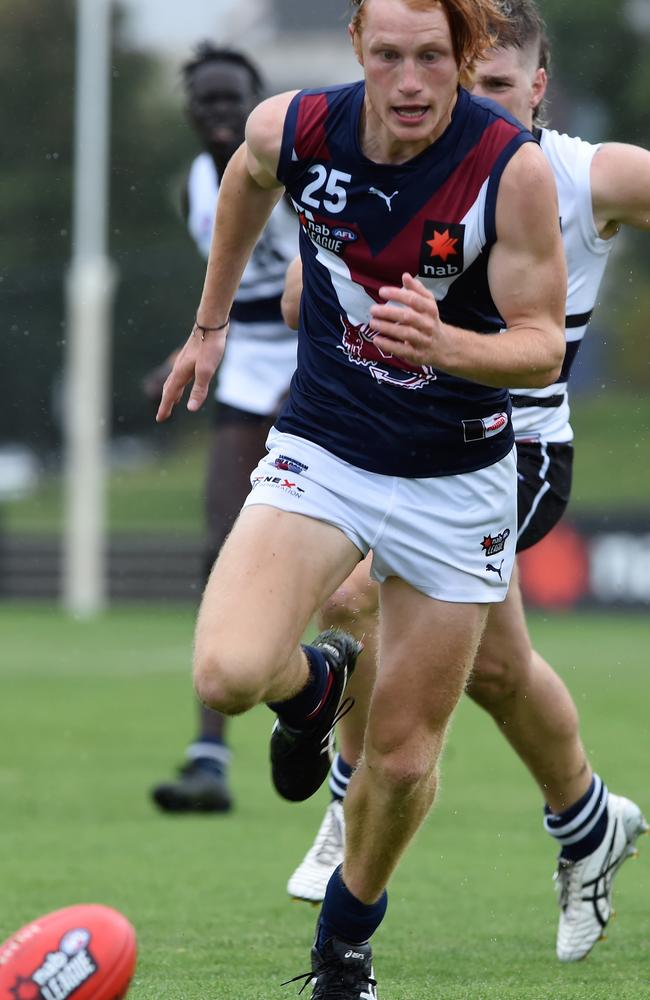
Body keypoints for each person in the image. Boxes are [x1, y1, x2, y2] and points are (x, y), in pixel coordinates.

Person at [157, 0, 566, 994]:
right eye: (389, 56)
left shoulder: (507, 168)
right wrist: (210, 323)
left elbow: (540, 342)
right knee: (225, 672)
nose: (412, 81)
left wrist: (449, 345)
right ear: (357, 52)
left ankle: (342, 942)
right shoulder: (295, 127)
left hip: (457, 479)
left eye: (432, 56)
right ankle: (318, 687)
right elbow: (247, 182)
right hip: (326, 449)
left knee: (396, 761)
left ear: (462, 57)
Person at [285, 0, 649, 967]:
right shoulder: (411, 167)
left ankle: (341, 810)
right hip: (403, 445)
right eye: (464, 81)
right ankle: (587, 825)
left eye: (496, 85)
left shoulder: (580, 171)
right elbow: (301, 293)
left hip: (516, 450)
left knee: (358, 590)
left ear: (536, 88)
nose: (470, 101)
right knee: (494, 669)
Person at [147, 43, 299, 814]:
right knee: (220, 546)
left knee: (323, 565)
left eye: (229, 99)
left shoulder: (299, 165)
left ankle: (326, 720)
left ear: (256, 97)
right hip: (244, 364)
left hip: (317, 358)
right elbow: (229, 288)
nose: (216, 113)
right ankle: (209, 755)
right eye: (203, 101)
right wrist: (192, 345)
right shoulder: (197, 189)